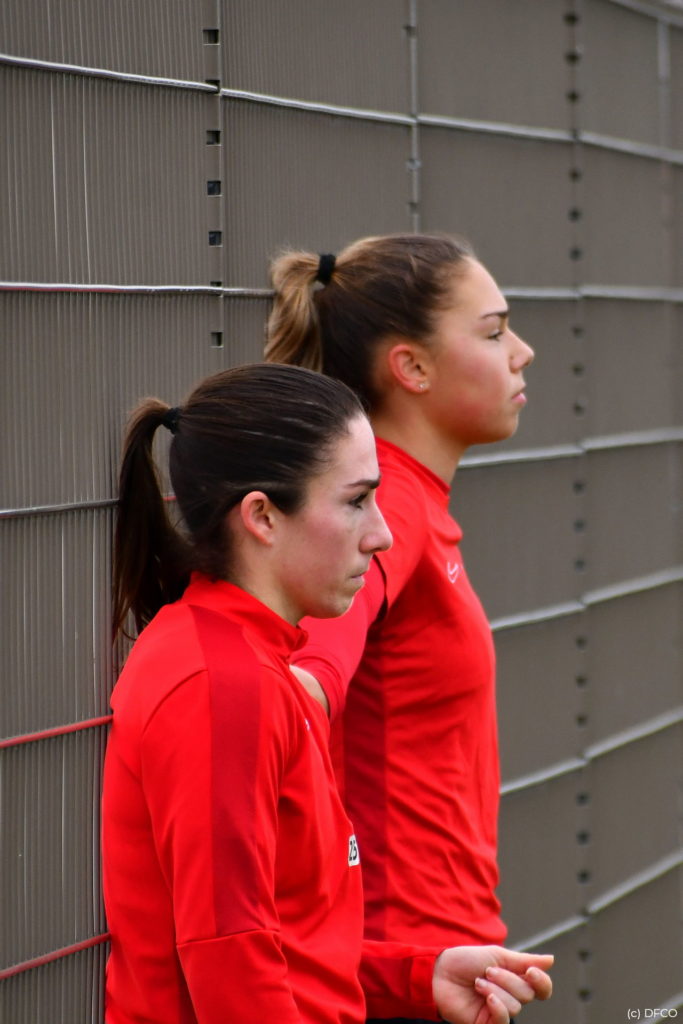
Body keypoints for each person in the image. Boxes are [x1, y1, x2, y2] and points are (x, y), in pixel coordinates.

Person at [102, 363, 552, 1024]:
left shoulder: (254, 662)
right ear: (261, 516)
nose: (381, 533)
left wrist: (416, 974)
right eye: (354, 500)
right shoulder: (224, 685)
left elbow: (288, 946)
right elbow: (232, 962)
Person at [265, 236, 537, 1023]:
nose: (521, 352)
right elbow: (307, 674)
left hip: (443, 960)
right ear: (411, 369)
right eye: (492, 332)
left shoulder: (409, 506)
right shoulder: (391, 512)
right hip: (402, 970)